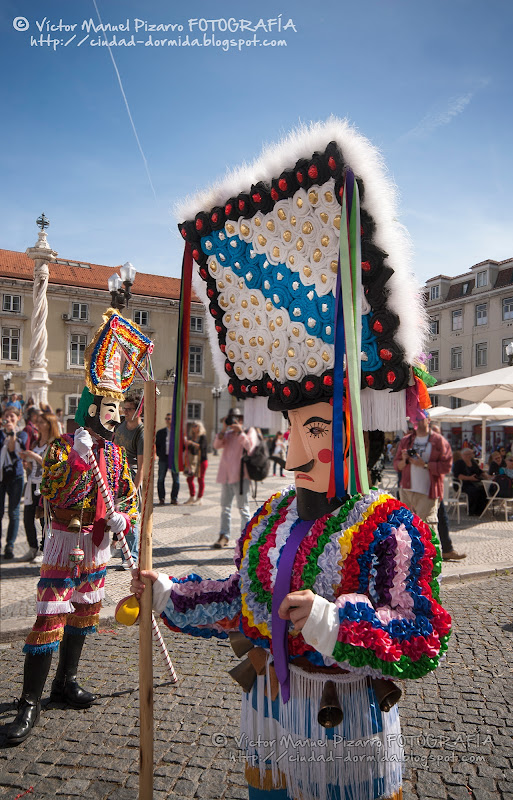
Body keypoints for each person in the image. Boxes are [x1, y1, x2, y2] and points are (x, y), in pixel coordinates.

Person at [137, 120, 452, 800]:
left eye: (317, 428)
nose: (295, 446)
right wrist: (169, 594)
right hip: (272, 721)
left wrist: (334, 622)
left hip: (346, 731)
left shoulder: (393, 526)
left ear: (358, 438)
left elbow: (424, 637)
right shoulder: (271, 518)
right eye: (292, 428)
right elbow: (237, 604)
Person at [4, 309, 147, 747]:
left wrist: (127, 516)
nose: (114, 416)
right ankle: (29, 701)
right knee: (50, 616)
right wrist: (80, 463)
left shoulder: (118, 454)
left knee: (85, 613)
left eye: (116, 409)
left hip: (100, 544)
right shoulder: (63, 448)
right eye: (107, 408)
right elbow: (52, 494)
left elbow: (131, 498)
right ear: (89, 408)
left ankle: (65, 682)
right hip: (67, 542)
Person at [394, 411, 452, 526]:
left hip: (427, 492)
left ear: (428, 420)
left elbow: (446, 467)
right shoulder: (406, 441)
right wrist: (404, 460)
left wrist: (425, 465)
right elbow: (397, 465)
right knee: (405, 528)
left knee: (427, 529)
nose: (417, 422)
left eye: (420, 419)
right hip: (407, 490)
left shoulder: (438, 441)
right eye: (415, 419)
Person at [212, 407, 257, 549]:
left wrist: (240, 432)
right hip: (226, 476)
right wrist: (224, 429)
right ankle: (224, 535)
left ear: (242, 419)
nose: (234, 420)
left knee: (243, 508)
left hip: (241, 477)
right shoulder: (228, 434)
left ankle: (246, 537)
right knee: (225, 508)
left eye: (237, 418)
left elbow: (251, 448)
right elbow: (216, 445)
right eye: (232, 418)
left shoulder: (250, 432)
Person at [20, 411, 60, 563]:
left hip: (46, 484)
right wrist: (27, 461)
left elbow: (50, 463)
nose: (39, 425)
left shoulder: (54, 443)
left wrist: (34, 456)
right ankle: (32, 547)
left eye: (42, 422)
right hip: (33, 481)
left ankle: (45, 549)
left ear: (49, 425)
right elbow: (33, 465)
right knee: (28, 517)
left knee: (45, 519)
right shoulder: (36, 443)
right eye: (39, 422)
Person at [113, 396, 143, 567]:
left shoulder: (141, 432)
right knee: (116, 514)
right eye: (124, 409)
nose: (125, 412)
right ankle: (121, 550)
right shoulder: (121, 426)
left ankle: (131, 556)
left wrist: (134, 489)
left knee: (130, 516)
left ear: (138, 411)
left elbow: (142, 464)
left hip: (131, 476)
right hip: (117, 473)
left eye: (129, 409)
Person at [429, 424, 466, 561]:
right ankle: (429, 552)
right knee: (428, 522)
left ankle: (447, 549)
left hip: (436, 492)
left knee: (442, 520)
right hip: (424, 493)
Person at [0, 406, 28, 559]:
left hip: (16, 476)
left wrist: (11, 433)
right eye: (6, 416)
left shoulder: (22, 434)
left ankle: (9, 545)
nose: (9, 419)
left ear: (18, 418)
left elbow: (13, 450)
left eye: (12, 416)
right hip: (1, 477)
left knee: (13, 512)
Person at [452, 448, 488, 516]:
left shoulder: (473, 461)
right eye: (468, 454)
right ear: (463, 455)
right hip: (462, 483)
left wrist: (486, 476)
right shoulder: (459, 463)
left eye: (471, 454)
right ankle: (471, 510)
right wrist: (469, 478)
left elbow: (479, 471)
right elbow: (458, 476)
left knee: (484, 490)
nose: (470, 456)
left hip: (474, 482)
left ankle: (480, 511)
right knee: (473, 491)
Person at [155, 412, 180, 505]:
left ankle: (174, 498)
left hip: (174, 458)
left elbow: (182, 446)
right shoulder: (161, 432)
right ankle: (161, 498)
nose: (168, 421)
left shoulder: (177, 432)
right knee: (161, 478)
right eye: (166, 419)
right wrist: (159, 454)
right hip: (163, 458)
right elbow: (157, 445)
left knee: (176, 479)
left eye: (169, 419)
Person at [183, 420, 208, 505]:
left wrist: (192, 443)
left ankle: (200, 498)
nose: (193, 427)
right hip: (192, 461)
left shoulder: (202, 437)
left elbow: (203, 447)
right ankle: (192, 496)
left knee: (200, 479)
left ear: (199, 427)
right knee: (189, 478)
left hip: (201, 461)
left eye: (195, 426)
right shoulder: (191, 436)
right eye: (193, 426)